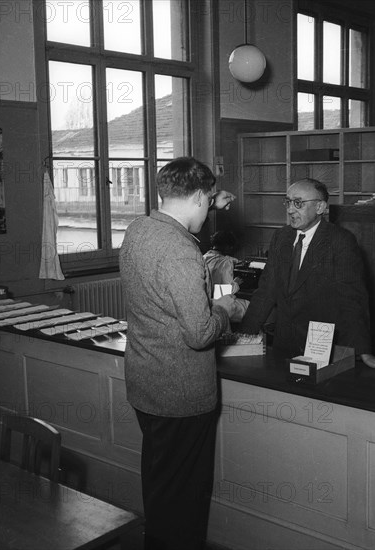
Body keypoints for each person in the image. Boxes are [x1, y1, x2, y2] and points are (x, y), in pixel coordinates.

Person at [120, 157, 238, 549]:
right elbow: (200, 333)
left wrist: (210, 203)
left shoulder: (139, 229)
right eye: (208, 201)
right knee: (185, 500)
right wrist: (226, 308)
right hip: (182, 396)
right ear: (201, 197)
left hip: (147, 386)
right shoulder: (182, 252)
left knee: (161, 484)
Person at [240, 178, 375, 371]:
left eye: (298, 203)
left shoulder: (340, 241)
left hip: (321, 350)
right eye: (288, 202)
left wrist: (363, 351)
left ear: (320, 207)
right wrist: (244, 336)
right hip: (283, 344)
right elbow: (266, 291)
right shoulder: (281, 237)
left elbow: (351, 299)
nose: (290, 209)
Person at [203, 230, 249, 322]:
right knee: (250, 306)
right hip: (220, 304)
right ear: (228, 246)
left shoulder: (203, 257)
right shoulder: (226, 262)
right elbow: (224, 290)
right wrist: (236, 283)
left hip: (206, 304)